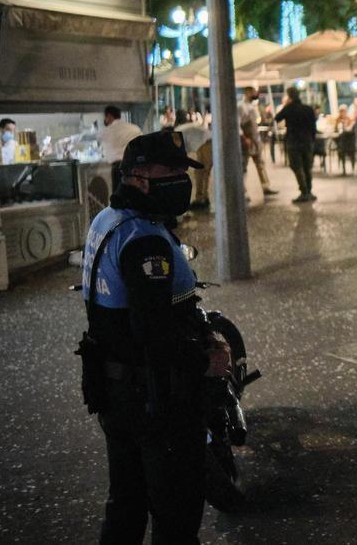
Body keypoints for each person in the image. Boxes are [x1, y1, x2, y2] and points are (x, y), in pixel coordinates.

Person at [79, 130, 232, 543]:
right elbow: (155, 333)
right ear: (140, 176)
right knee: (177, 515)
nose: (183, 178)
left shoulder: (109, 220)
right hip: (156, 398)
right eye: (174, 170)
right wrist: (206, 360)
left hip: (115, 390)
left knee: (126, 505)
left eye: (185, 169)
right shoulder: (145, 240)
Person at [274, 87, 317, 203]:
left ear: (289, 96)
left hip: (293, 142)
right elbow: (314, 127)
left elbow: (277, 118)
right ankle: (309, 191)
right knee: (307, 166)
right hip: (307, 141)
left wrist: (286, 105)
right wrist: (312, 140)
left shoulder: (288, 108)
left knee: (297, 166)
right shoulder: (308, 109)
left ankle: (304, 192)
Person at [239, 87, 277, 197]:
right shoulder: (241, 106)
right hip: (247, 140)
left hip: (255, 139)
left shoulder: (252, 106)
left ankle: (266, 187)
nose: (255, 94)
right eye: (253, 93)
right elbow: (238, 125)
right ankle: (243, 190)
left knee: (260, 163)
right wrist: (244, 138)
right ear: (247, 93)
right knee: (243, 165)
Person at [173, 112, 212, 210]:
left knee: (200, 172)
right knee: (203, 172)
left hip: (205, 142)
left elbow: (179, 151)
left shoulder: (176, 133)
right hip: (208, 141)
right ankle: (204, 197)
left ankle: (200, 200)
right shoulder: (182, 129)